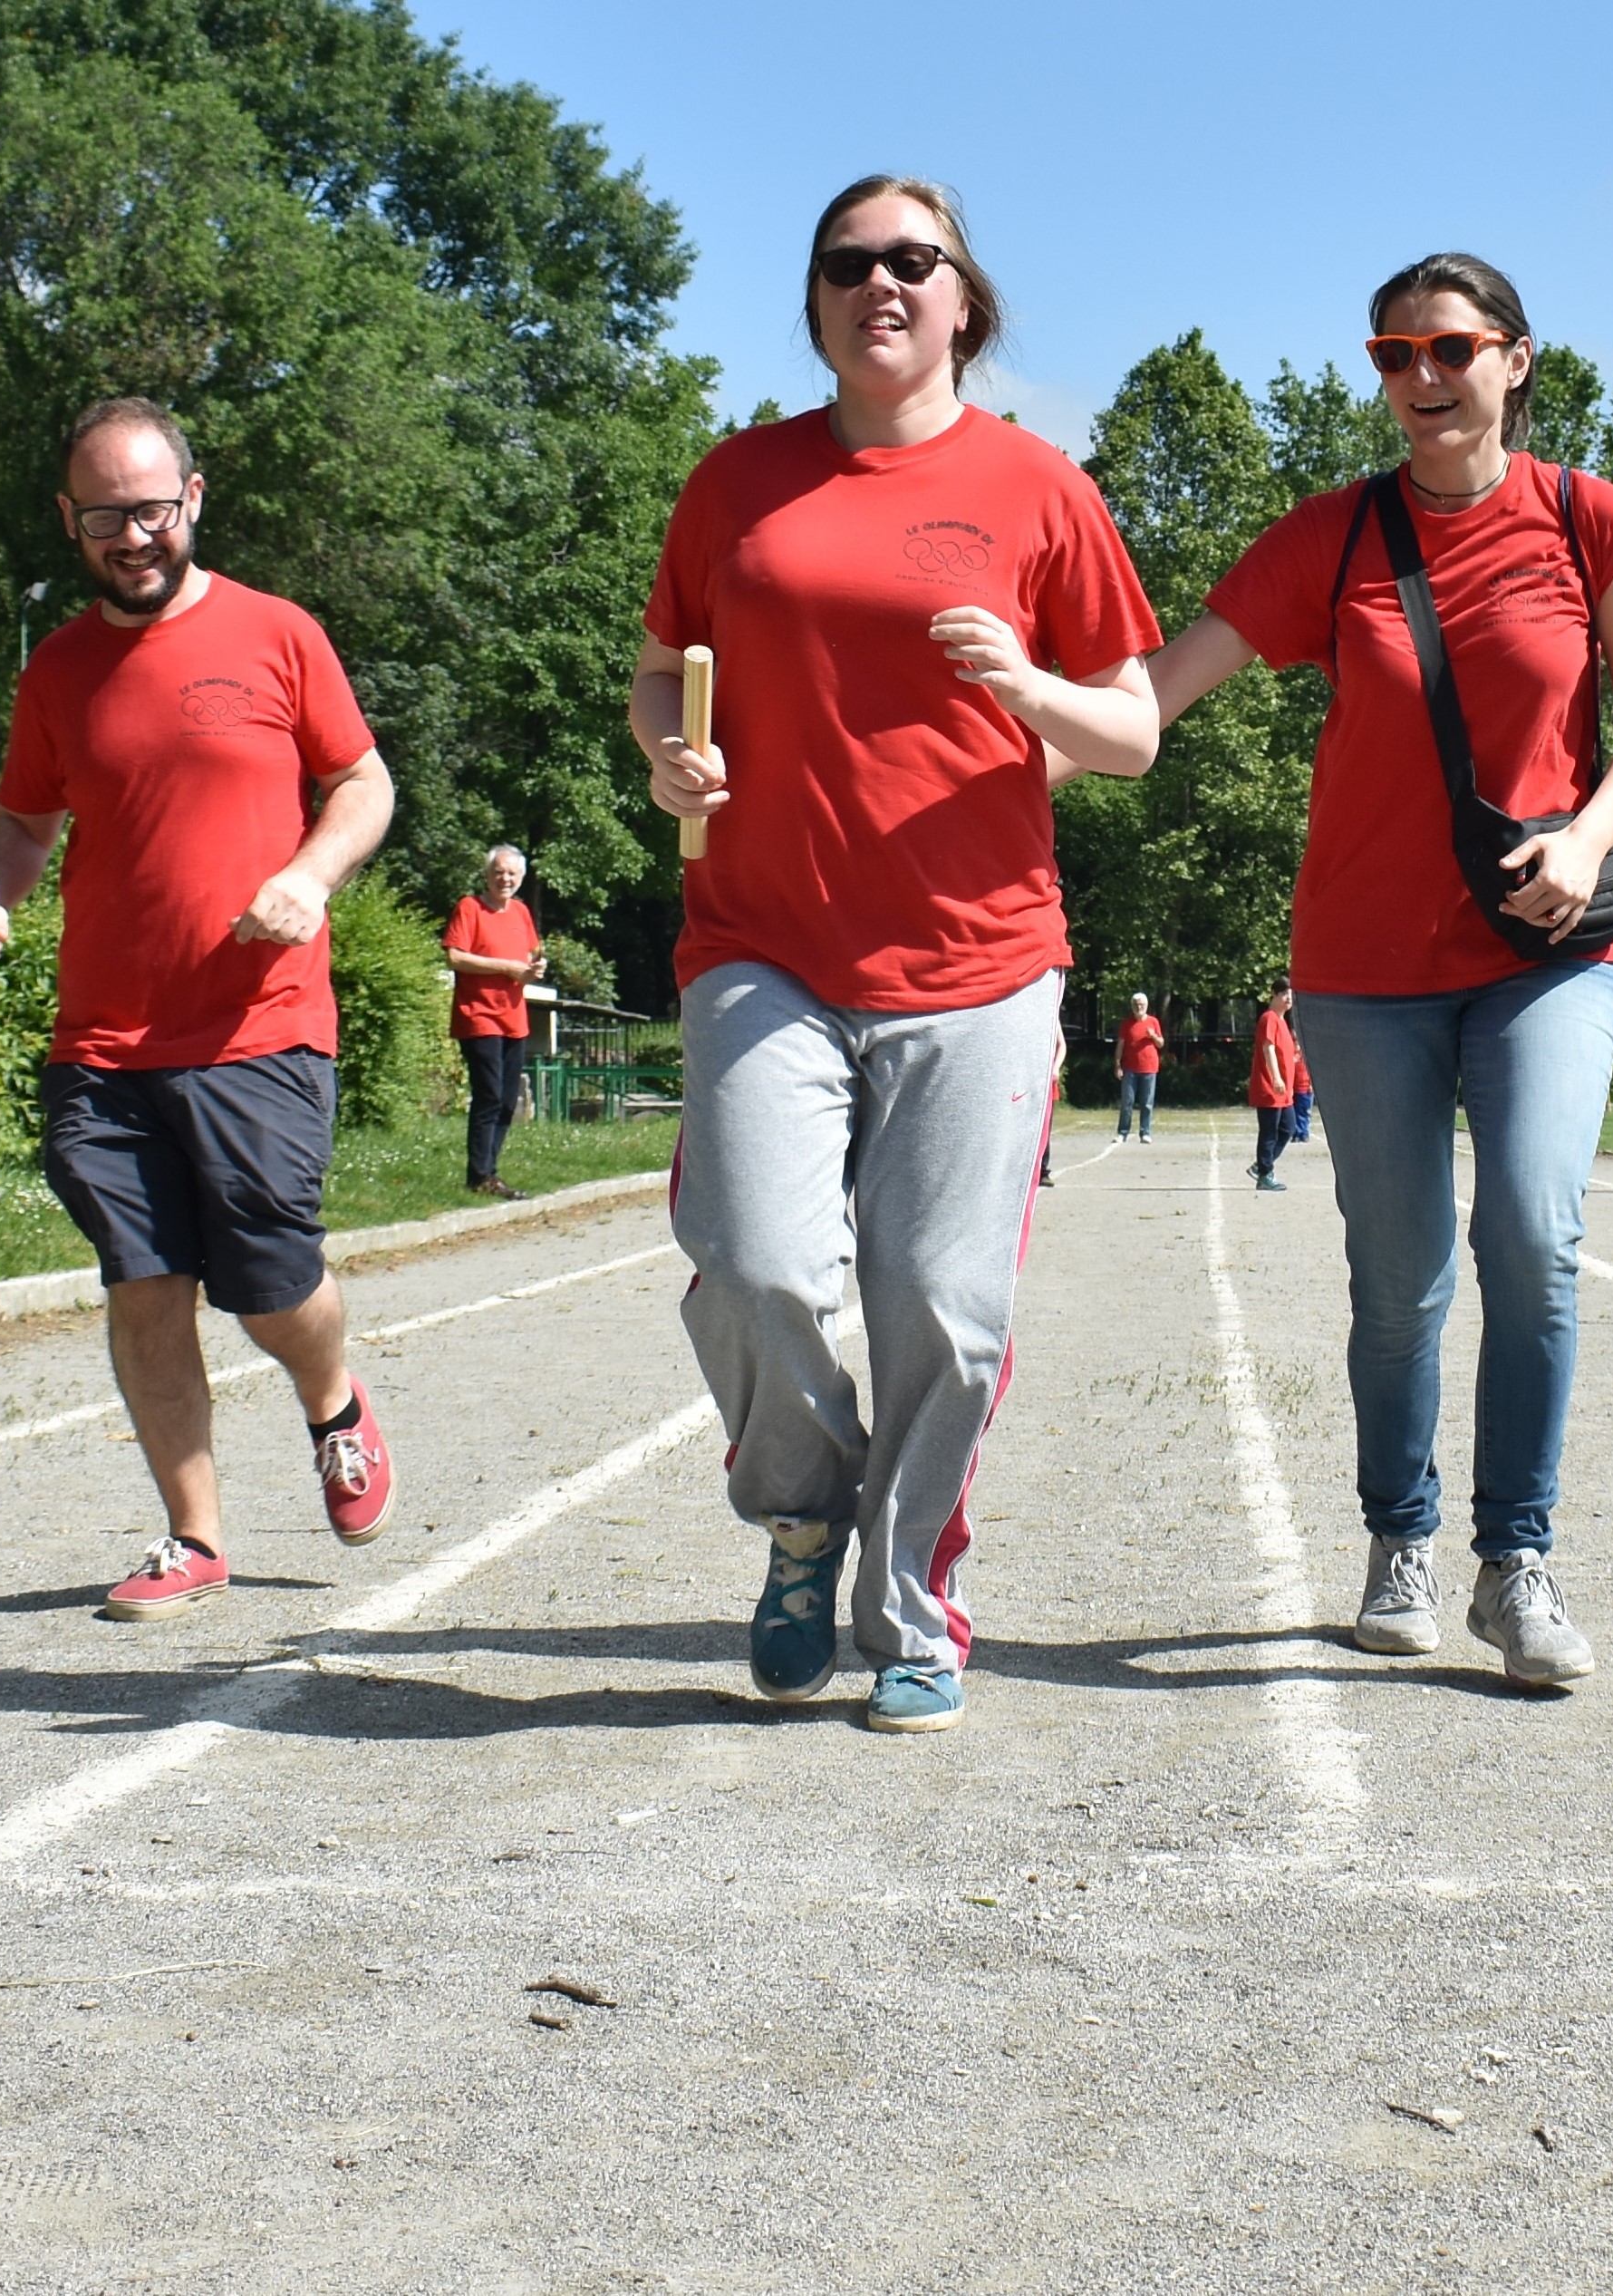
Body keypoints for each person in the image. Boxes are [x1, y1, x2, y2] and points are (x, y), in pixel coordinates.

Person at [1058, 252, 1613, 1689]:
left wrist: (1588, 838)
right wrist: (998, 752)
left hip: (1546, 950)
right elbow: (1152, 692)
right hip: (1360, 966)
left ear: (1515, 360)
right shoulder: (1332, 540)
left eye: (1447, 351)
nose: (1418, 380)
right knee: (1397, 1280)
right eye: (1392, 355)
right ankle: (1398, 1535)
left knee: (1530, 1233)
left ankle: (1514, 1558)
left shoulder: (1591, 521)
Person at [633, 173, 1159, 1734]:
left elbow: (1128, 728)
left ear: (960, 298)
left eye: (910, 260)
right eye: (847, 262)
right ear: (813, 300)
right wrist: (670, 754)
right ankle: (803, 1513)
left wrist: (1026, 688)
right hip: (759, 944)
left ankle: (911, 1602)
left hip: (977, 954)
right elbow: (663, 674)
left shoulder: (1036, 489)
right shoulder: (735, 485)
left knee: (939, 1296)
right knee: (754, 1260)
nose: (880, 281)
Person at [0, 396, 399, 1620]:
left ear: (192, 497)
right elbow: (25, 821)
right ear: (69, 521)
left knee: (265, 1285)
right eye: (104, 517)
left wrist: (308, 875)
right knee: (141, 1283)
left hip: (258, 1025)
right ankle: (192, 1536)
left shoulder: (276, 632)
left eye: (150, 509)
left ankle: (333, 1402)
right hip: (102, 1037)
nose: (131, 535)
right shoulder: (59, 668)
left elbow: (360, 779)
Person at [443, 844, 547, 1200]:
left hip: (514, 1018)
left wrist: (534, 970)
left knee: (506, 1100)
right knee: (488, 1096)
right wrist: (507, 967)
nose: (505, 879)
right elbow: (455, 957)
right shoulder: (469, 908)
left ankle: (490, 1171)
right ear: (487, 876)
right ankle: (480, 1175)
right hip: (479, 1015)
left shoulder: (520, 912)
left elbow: (530, 957)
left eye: (512, 874)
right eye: (499, 872)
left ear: (521, 879)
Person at [1248, 977, 1298, 1191]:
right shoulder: (1269, 1018)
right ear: (1274, 995)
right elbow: (1268, 1049)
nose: (1289, 998)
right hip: (1271, 1086)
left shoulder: (1283, 1022)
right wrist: (1276, 1077)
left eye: (1291, 994)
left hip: (1284, 1090)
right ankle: (1265, 1175)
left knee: (1288, 1128)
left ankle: (1261, 1165)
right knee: (1269, 1132)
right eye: (1284, 993)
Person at [1116, 993, 1165, 1142]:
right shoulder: (1126, 1023)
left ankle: (1145, 1132)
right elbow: (1120, 1045)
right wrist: (1118, 1065)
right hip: (1129, 1068)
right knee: (1127, 1103)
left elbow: (1161, 1043)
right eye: (1136, 1004)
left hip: (1149, 1068)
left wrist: (1153, 1036)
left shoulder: (1153, 1022)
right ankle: (1122, 1133)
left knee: (1147, 1104)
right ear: (1132, 1006)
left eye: (1141, 1005)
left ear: (1146, 1006)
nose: (1139, 1007)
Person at [1038, 1021, 1067, 1186]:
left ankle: (1043, 1170)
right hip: (1026, 1081)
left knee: (1044, 1130)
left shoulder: (1052, 1016)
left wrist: (1056, 1068)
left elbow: (1061, 1045)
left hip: (1047, 1081)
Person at [1289, 1033, 1316, 1145]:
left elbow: (1312, 1071)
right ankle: (1296, 1133)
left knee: (1304, 1112)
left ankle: (1304, 1133)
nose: (1296, 1043)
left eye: (1297, 1041)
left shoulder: (1306, 1056)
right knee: (1294, 1112)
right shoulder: (1292, 1056)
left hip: (1305, 1088)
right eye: (1294, 1041)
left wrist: (1311, 1085)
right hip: (1294, 1089)